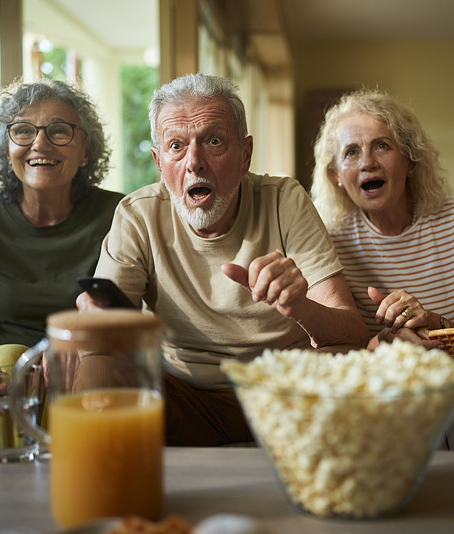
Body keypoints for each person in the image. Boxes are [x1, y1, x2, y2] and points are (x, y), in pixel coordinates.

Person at [77, 73, 368, 446]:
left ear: (245, 154)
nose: (194, 162)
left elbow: (353, 333)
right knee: (98, 362)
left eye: (213, 141)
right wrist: (96, 326)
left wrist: (299, 307)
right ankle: (100, 498)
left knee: (345, 363)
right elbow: (101, 331)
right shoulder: (137, 214)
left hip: (285, 396)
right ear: (158, 162)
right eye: (176, 146)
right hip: (182, 398)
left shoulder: (284, 200)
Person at [310, 89, 454, 450]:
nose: (367, 161)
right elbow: (347, 351)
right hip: (382, 373)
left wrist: (434, 325)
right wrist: (389, 342)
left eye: (381, 146)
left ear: (410, 161)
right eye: (351, 152)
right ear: (337, 175)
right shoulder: (328, 241)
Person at [0, 79, 124, 436]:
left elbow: (125, 319)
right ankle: (9, 484)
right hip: (3, 369)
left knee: (86, 363)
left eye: (59, 131)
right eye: (23, 131)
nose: (39, 143)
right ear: (7, 148)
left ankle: (76, 479)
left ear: (86, 150)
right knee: (8, 362)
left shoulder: (119, 214)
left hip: (85, 360)